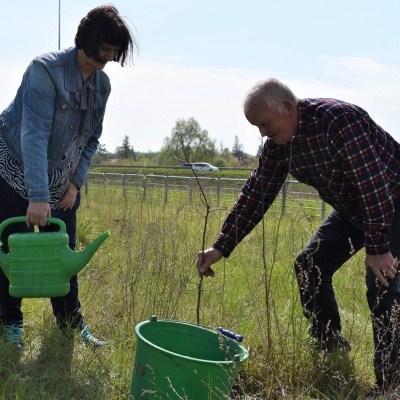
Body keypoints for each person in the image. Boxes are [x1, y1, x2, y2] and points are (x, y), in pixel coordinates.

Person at [196, 77, 400, 398]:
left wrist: (377, 248)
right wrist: (221, 246)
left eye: (265, 123)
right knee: (310, 264)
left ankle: (389, 385)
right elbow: (255, 196)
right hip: (353, 209)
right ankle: (329, 344)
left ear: (288, 108)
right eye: (257, 127)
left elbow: (374, 188)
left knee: (383, 284)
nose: (262, 132)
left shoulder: (339, 121)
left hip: (391, 201)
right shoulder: (279, 146)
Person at [0, 5, 137, 348]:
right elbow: (33, 135)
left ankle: (71, 325)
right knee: (14, 253)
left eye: (115, 50)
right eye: (106, 47)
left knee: (65, 256)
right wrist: (38, 196)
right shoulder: (45, 71)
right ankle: (10, 325)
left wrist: (75, 183)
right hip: (17, 173)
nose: (110, 56)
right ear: (88, 40)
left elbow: (91, 139)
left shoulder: (102, 85)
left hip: (62, 182)